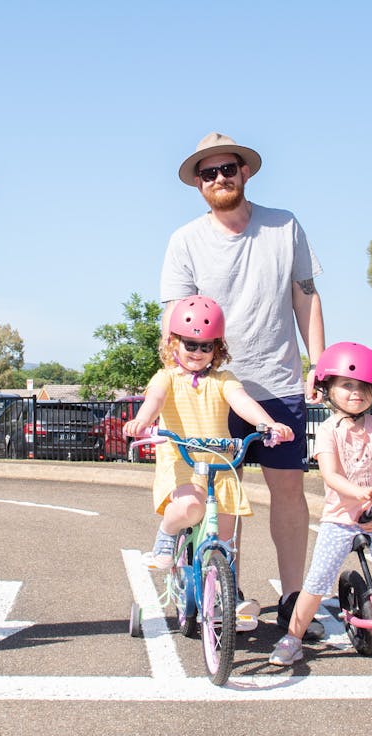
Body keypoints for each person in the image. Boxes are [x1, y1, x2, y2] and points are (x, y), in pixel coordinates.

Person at [159, 132, 326, 639]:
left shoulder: (284, 226)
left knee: (288, 491)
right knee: (218, 497)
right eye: (208, 174)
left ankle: (294, 599)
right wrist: (172, 381)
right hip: (210, 387)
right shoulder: (185, 240)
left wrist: (317, 362)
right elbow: (173, 320)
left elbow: (306, 298)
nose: (219, 179)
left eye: (227, 169)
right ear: (198, 184)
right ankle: (220, 592)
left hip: (276, 383)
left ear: (245, 172)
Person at [123, 295, 294, 631]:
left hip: (219, 466)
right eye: (190, 344)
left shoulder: (224, 379)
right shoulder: (166, 377)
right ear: (173, 342)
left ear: (217, 349)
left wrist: (267, 425)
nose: (197, 352)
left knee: (224, 543)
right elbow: (154, 401)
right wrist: (142, 421)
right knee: (188, 507)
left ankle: (217, 598)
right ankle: (165, 542)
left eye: (206, 346)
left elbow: (241, 401)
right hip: (182, 462)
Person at [268, 342, 372, 666]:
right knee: (317, 581)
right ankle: (293, 638)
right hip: (339, 519)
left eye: (364, 387)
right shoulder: (328, 430)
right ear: (327, 388)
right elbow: (330, 475)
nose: (356, 393)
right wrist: (359, 494)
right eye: (347, 385)